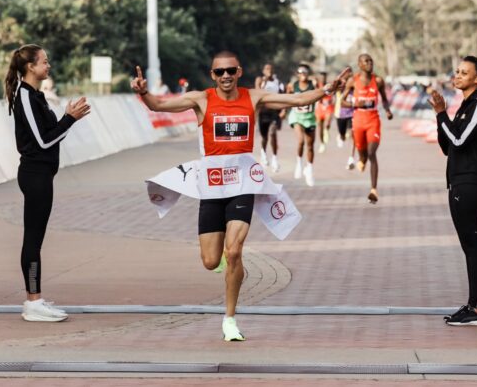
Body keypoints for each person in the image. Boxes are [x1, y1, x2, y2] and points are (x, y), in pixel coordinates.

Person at [132, 51, 350, 341]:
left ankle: (230, 318)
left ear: (239, 72)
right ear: (213, 75)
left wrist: (326, 90)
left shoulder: (254, 97)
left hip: (242, 184)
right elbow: (159, 104)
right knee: (211, 261)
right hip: (211, 187)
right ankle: (227, 265)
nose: (225, 76)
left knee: (234, 251)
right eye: (219, 72)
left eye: (230, 71)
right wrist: (144, 93)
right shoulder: (202, 100)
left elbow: (297, 100)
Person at [5, 44, 91, 322]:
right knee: (33, 239)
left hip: (42, 175)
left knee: (36, 238)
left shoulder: (37, 96)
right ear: (30, 66)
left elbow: (49, 134)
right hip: (34, 175)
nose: (48, 65)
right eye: (44, 61)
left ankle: (36, 299)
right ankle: (33, 302)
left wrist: (67, 118)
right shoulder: (25, 96)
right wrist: (69, 119)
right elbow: (42, 141)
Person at [429, 56, 477, 327]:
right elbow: (449, 146)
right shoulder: (465, 105)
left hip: (473, 181)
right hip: (460, 180)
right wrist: (441, 116)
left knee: (473, 246)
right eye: (456, 71)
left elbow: (458, 138)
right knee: (470, 246)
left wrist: (440, 113)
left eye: (464, 72)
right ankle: (472, 306)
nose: (457, 75)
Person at [341, 54, 393, 203]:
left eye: (371, 61)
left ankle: (373, 190)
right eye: (366, 61)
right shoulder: (353, 81)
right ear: (360, 65)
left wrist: (388, 111)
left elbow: (384, 99)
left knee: (372, 153)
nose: (370, 63)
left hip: (373, 120)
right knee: (363, 153)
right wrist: (356, 105)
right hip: (358, 120)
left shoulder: (378, 80)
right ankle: (361, 160)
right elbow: (342, 102)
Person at [286, 63, 318, 187]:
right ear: (297, 74)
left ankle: (309, 169)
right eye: (300, 72)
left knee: (310, 146)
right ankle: (299, 163)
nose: (303, 74)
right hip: (297, 117)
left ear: (308, 73)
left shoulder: (313, 84)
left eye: (305, 71)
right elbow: (286, 98)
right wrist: (284, 110)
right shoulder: (292, 85)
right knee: (300, 141)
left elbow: (322, 91)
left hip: (309, 118)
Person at [255, 63, 284, 172]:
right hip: (263, 113)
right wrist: (265, 81)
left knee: (272, 133)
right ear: (263, 71)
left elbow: (283, 95)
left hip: (274, 113)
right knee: (264, 137)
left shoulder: (278, 83)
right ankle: (263, 153)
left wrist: (284, 110)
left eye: (271, 69)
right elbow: (257, 91)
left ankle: (275, 159)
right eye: (267, 69)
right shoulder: (260, 80)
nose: (269, 71)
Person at [335, 86, 357, 170]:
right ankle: (341, 136)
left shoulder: (354, 90)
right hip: (340, 115)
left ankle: (351, 158)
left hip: (351, 115)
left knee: (352, 135)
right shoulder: (340, 89)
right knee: (342, 136)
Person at [314, 72, 334, 154]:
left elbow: (334, 93)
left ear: (326, 78)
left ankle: (327, 130)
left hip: (328, 107)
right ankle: (322, 143)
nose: (323, 79)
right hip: (320, 108)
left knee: (327, 124)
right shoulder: (318, 85)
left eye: (324, 77)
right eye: (321, 77)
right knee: (319, 127)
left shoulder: (330, 85)